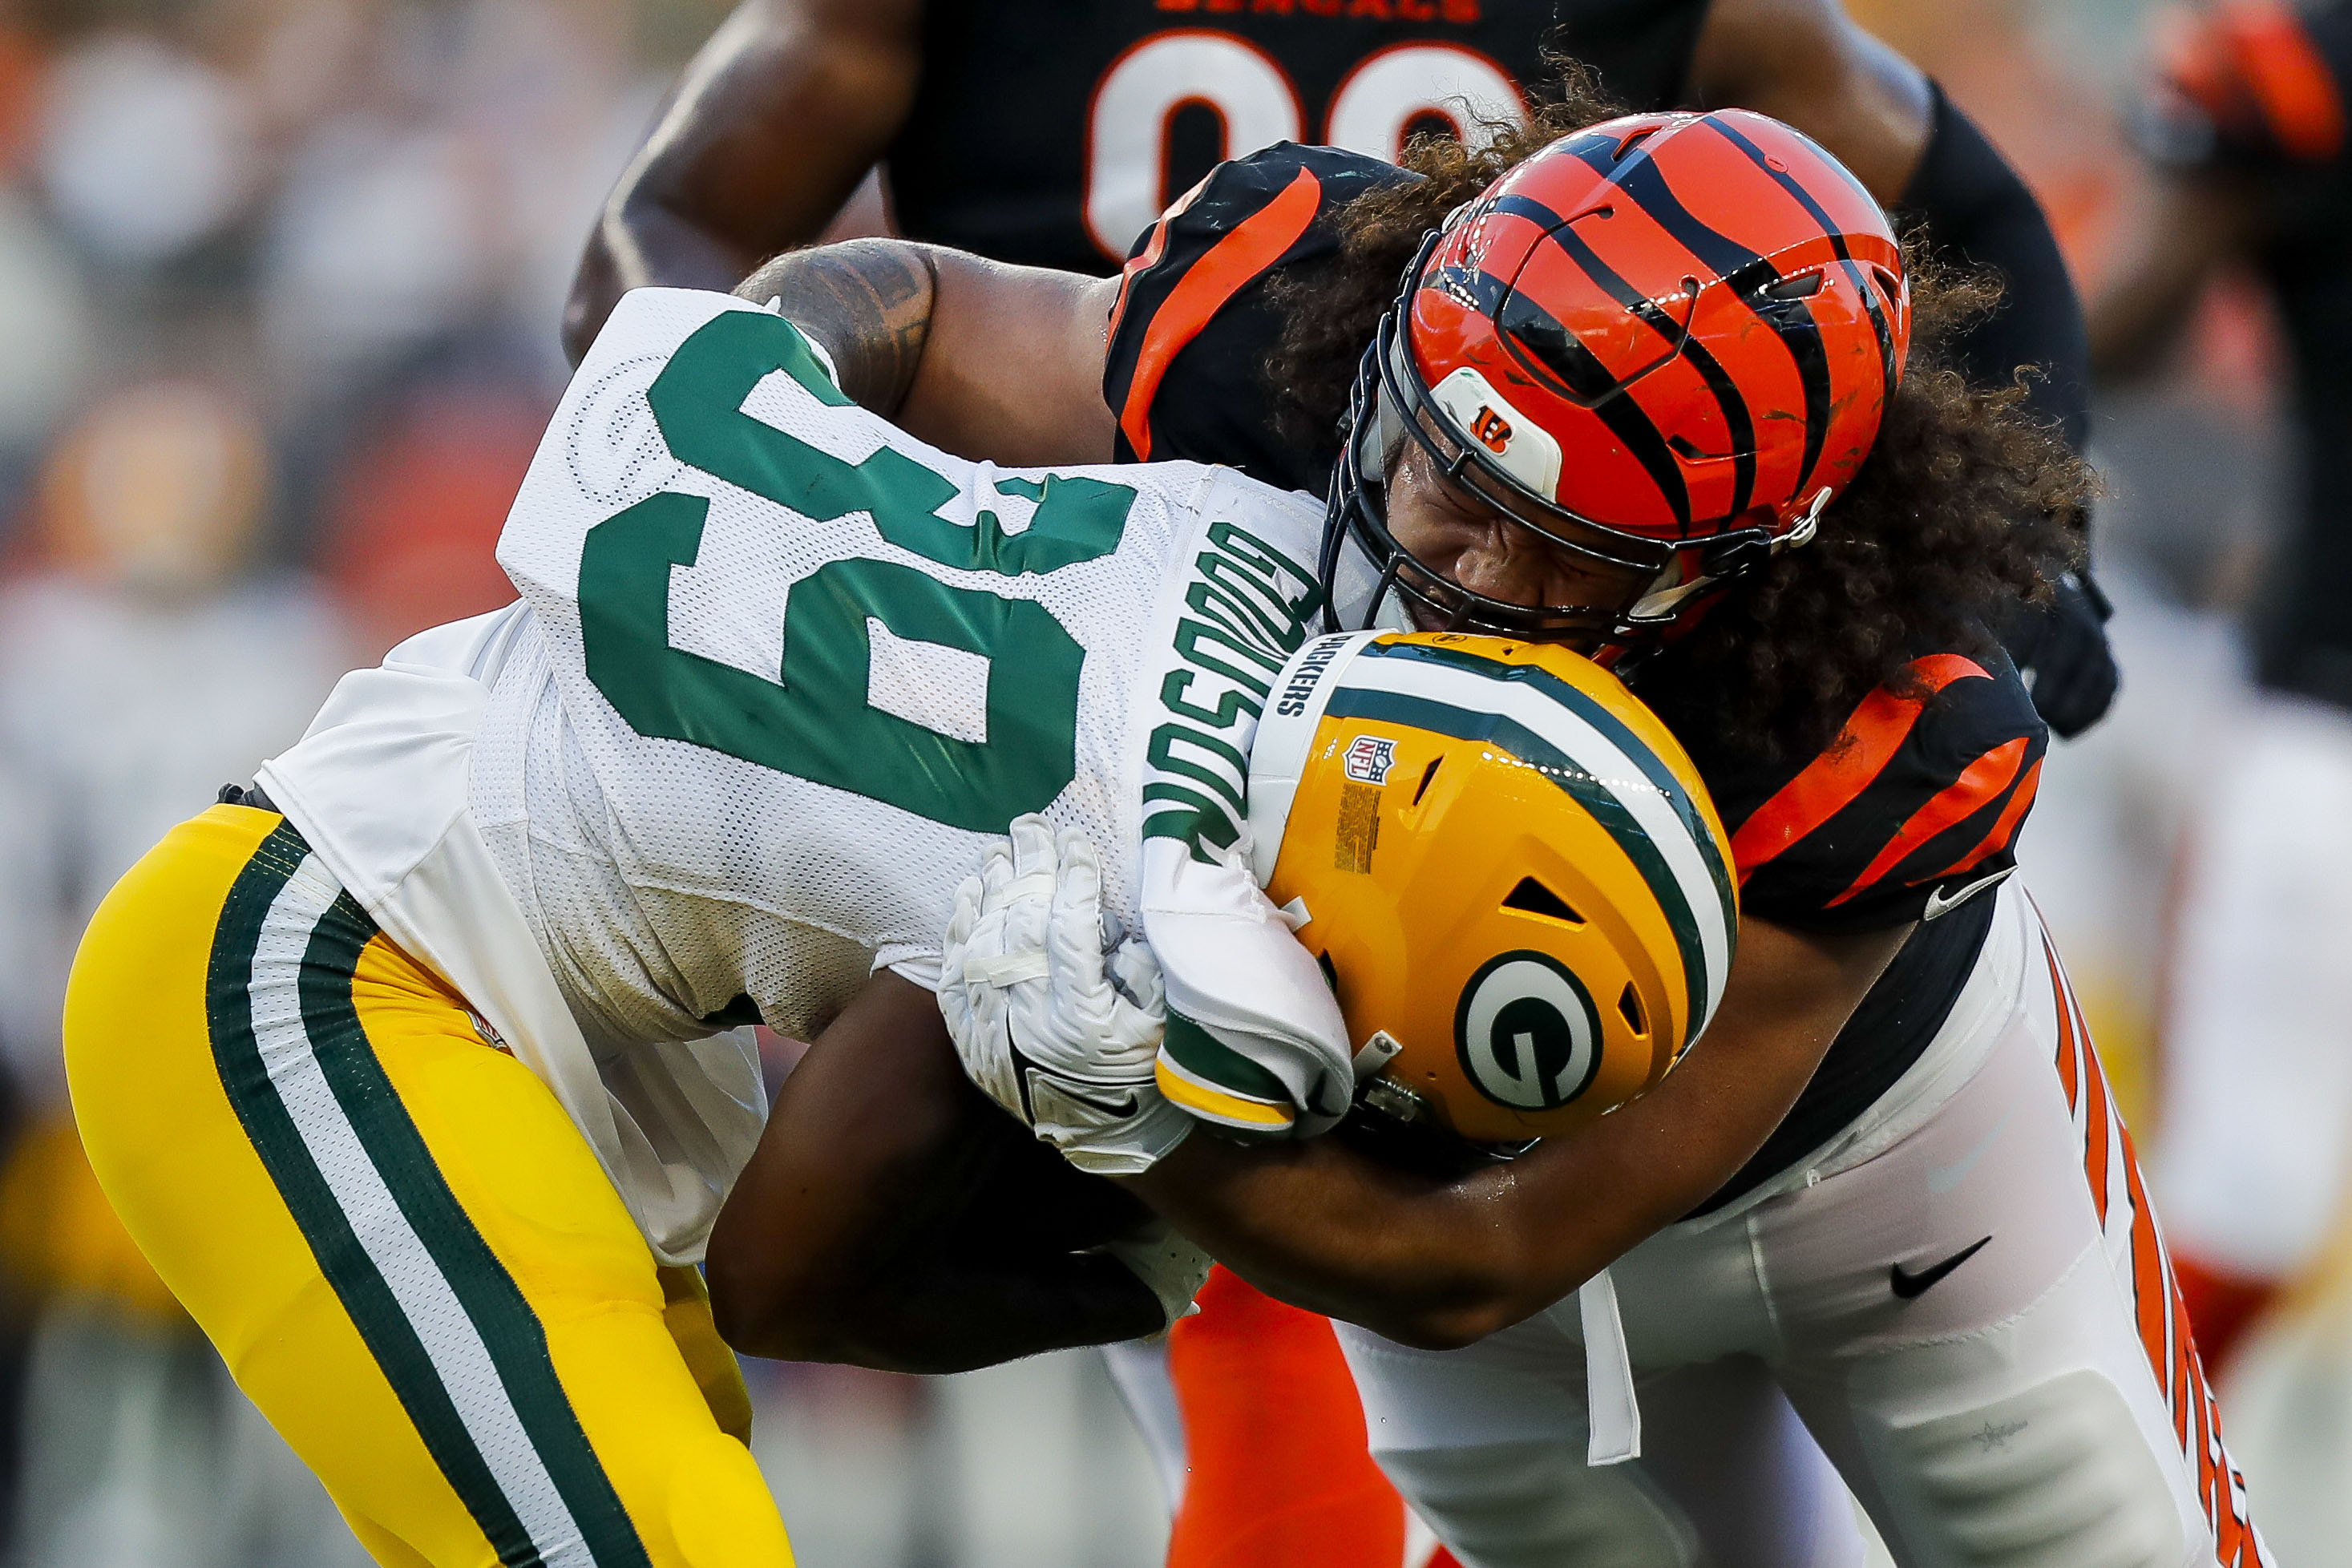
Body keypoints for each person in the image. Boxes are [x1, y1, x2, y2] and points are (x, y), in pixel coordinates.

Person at [753, 104, 2263, 1565]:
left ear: (1729, 569)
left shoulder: (1881, 714)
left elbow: (1485, 1257)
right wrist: (714, 392)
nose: (1446, 554)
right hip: (1430, 1157)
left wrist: (1139, 1109)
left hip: (1889, 1179)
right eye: (1440, 469)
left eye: (1556, 551)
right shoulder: (1284, 309)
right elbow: (921, 317)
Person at [55, 258, 1732, 1566]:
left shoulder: (1257, 524)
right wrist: (1151, 1224)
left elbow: (890, 301)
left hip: (480, 947)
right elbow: (789, 1286)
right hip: (327, 962)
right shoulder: (1100, 890)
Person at [561, 0, 2121, 750]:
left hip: (1500, 609)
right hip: (1032, 574)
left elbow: (1961, 208)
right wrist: (755, 499)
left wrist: (2036, 541)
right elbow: (665, 234)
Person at [2088, 0, 2352, 1386]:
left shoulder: (2292, 67)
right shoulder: (2290, 70)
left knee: (2243, 1209)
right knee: (2242, 1207)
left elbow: (2111, 330)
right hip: (2323, 714)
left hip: (2320, 718)